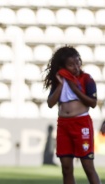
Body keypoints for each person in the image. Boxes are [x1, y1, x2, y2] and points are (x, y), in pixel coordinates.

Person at [43, 45, 101, 184]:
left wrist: (74, 88)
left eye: (78, 62)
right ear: (62, 66)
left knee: (88, 166)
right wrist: (61, 85)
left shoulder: (86, 79)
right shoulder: (58, 81)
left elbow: (92, 103)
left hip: (81, 124)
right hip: (63, 124)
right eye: (71, 64)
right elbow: (51, 103)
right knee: (66, 168)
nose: (76, 66)